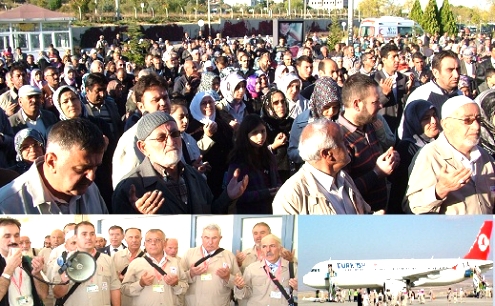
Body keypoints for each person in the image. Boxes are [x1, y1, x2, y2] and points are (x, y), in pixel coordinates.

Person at [112, 111, 248, 214]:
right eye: (161, 138)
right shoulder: (130, 187)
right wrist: (136, 217)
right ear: (143, 147)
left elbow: (210, 216)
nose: (171, 142)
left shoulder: (194, 176)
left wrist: (228, 197)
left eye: (174, 134)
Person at [406, 95, 495, 214]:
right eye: (467, 121)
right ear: (446, 125)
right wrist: (440, 190)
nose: (476, 127)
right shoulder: (430, 155)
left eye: (478, 120)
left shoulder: (484, 156)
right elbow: (412, 206)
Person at [0, 118, 109, 214]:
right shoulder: (6, 206)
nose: (91, 177)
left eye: (95, 167)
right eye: (81, 169)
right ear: (51, 161)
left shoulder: (91, 189)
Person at [273, 119, 372, 214]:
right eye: (342, 140)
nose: (348, 144)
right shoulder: (291, 197)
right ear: (327, 154)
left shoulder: (343, 178)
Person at [338, 73, 399, 213]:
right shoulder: (339, 141)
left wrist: (389, 160)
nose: (380, 105)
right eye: (375, 102)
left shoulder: (369, 124)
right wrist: (378, 172)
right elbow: (343, 193)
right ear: (357, 104)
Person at [51, 221, 121, 306]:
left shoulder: (107, 260)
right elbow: (56, 294)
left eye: (92, 234)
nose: (89, 237)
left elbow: (114, 288)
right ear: (76, 237)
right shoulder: (64, 261)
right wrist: (64, 281)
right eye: (84, 234)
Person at [388, 100, 440, 214]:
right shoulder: (406, 148)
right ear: (414, 121)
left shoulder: (439, 144)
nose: (434, 121)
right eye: (426, 118)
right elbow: (400, 191)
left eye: (435, 115)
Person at [226, 114, 281, 214]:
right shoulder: (238, 160)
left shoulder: (268, 155)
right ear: (246, 135)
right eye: (255, 133)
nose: (260, 136)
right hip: (250, 212)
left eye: (263, 131)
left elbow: (276, 178)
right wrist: (265, 193)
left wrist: (278, 188)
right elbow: (237, 195)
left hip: (271, 209)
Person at [121, 229, 188, 306]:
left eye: (157, 240)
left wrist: (176, 284)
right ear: (145, 244)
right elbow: (124, 289)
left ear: (164, 243)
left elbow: (185, 288)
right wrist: (140, 284)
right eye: (149, 240)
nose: (153, 243)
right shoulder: (136, 263)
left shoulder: (175, 262)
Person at [187, 91, 234, 198]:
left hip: (224, 173)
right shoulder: (192, 127)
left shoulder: (220, 121)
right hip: (206, 176)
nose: (208, 106)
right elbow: (193, 152)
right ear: (196, 106)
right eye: (204, 103)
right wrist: (207, 136)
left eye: (210, 102)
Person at [288, 76, 341, 168]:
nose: (331, 112)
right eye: (326, 107)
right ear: (318, 103)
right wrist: (313, 153)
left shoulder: (341, 120)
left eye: (335, 107)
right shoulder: (302, 122)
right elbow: (292, 152)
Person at [181, 224, 240, 306]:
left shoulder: (229, 256)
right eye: (206, 238)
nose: (210, 242)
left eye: (214, 238)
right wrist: (191, 274)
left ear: (220, 238)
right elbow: (178, 281)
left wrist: (228, 277)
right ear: (201, 238)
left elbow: (239, 284)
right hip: (193, 302)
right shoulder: (189, 254)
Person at [233, 234, 298, 306]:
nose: (268, 250)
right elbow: (244, 295)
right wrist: (240, 287)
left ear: (280, 249)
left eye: (272, 246)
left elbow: (297, 297)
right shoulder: (251, 269)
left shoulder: (292, 269)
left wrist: (297, 288)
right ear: (261, 250)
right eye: (264, 247)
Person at [0, 218, 48, 306]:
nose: (14, 241)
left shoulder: (27, 261)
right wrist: (9, 269)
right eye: (7, 236)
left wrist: (37, 274)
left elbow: (43, 295)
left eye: (16, 235)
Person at [374, 44, 413, 133]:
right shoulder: (374, 79)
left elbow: (405, 103)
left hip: (401, 126)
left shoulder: (403, 78)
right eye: (393, 57)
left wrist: (407, 91)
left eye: (397, 56)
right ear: (384, 60)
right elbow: (373, 105)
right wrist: (384, 94)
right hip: (382, 126)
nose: (397, 60)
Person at [260, 89, 294, 182]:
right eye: (276, 103)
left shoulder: (293, 122)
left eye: (283, 101)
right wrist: (274, 146)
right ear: (268, 106)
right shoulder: (262, 125)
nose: (281, 105)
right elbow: (256, 154)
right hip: (272, 176)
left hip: (293, 173)